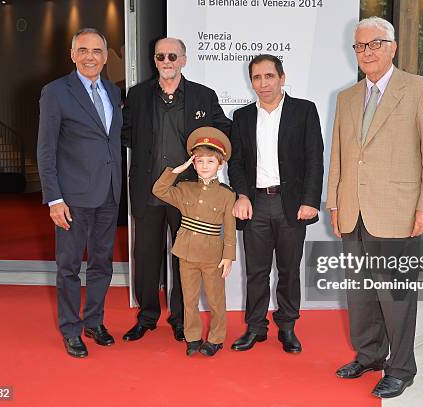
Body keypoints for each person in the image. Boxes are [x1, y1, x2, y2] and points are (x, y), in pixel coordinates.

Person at [326, 16, 423, 398]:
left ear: (392, 46)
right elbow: (340, 158)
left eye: (374, 44)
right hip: (351, 210)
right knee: (359, 292)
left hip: (398, 210)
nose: (367, 52)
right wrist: (333, 203)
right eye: (360, 46)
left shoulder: (420, 90)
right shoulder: (345, 97)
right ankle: (370, 354)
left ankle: (401, 367)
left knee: (394, 294)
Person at [121, 37, 231, 343]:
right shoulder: (138, 95)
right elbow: (126, 134)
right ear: (154, 60)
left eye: (172, 55)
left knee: (185, 259)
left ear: (183, 59)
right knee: (145, 257)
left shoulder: (203, 96)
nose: (166, 61)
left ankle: (182, 319)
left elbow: (223, 130)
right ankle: (146, 317)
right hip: (148, 190)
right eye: (160, 56)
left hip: (188, 196)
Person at [228, 54, 324, 354]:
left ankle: (287, 327)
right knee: (255, 272)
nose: (263, 83)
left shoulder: (304, 111)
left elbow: (315, 159)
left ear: (281, 77)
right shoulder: (242, 117)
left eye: (269, 76)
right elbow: (237, 164)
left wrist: (310, 200)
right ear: (251, 81)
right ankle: (255, 328)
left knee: (289, 270)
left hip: (291, 205)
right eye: (257, 77)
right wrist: (242, 195)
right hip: (255, 204)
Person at [37, 28, 123, 358]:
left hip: (108, 192)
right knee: (69, 266)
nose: (91, 56)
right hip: (71, 198)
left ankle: (94, 321)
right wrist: (54, 198)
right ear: (72, 55)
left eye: (97, 51)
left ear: (105, 55)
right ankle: (71, 329)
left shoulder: (113, 93)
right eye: (83, 50)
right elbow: (46, 149)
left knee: (102, 264)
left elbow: (108, 139)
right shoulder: (56, 92)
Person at [152, 127, 236, 357]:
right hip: (186, 253)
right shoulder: (184, 188)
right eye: (200, 161)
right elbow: (159, 190)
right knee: (189, 300)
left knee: (216, 300)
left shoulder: (227, 195)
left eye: (211, 161)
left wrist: (228, 256)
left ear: (221, 164)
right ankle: (193, 337)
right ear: (193, 163)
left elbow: (230, 229)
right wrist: (176, 170)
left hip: (212, 257)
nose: (205, 166)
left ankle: (216, 338)